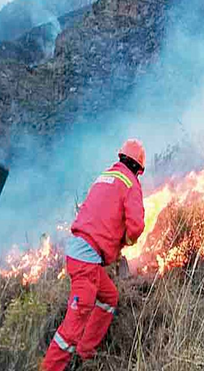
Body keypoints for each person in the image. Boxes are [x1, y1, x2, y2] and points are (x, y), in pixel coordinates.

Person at [42, 139, 146, 370]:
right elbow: (136, 227)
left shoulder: (105, 177)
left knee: (109, 297)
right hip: (86, 262)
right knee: (70, 330)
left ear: (121, 158)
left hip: (78, 253)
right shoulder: (130, 183)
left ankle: (85, 353)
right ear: (139, 168)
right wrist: (126, 241)